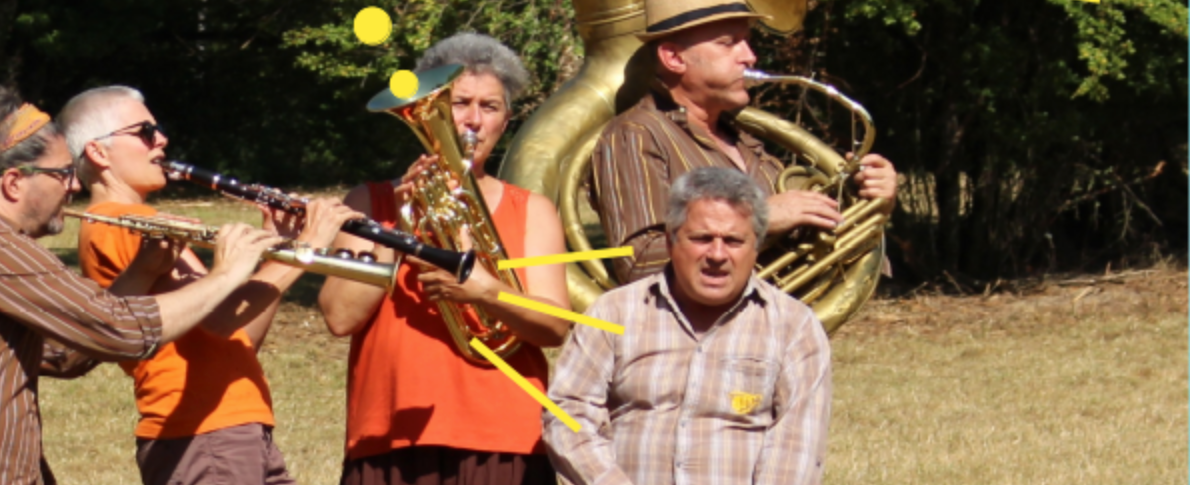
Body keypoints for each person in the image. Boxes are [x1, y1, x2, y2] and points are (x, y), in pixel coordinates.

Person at [0, 87, 282, 484]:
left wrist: (141, 273)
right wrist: (228, 273)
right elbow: (120, 331)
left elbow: (64, 356)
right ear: (13, 182)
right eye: (61, 174)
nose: (75, 185)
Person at [55, 85, 361, 485]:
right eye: (145, 132)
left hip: (230, 426)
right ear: (98, 152)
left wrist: (280, 250)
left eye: (158, 129)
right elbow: (222, 320)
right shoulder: (122, 220)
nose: (161, 139)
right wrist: (308, 247)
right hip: (204, 432)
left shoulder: (141, 220)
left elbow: (240, 333)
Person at [317, 32, 571, 485]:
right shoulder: (368, 202)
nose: (473, 121)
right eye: (459, 103)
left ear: (505, 120)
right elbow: (340, 316)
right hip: (390, 435)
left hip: (503, 434)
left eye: (489, 107)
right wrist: (394, 220)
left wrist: (487, 292)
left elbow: (553, 326)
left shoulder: (532, 210)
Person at [545, 167, 831, 485]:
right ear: (670, 241)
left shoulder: (795, 326)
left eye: (734, 241)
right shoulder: (613, 312)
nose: (717, 254)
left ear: (756, 247)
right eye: (702, 238)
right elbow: (568, 413)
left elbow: (796, 447)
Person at [590, 0, 899, 283]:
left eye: (747, 41)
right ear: (673, 57)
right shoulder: (636, 134)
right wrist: (754, 219)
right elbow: (638, 263)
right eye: (728, 43)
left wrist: (867, 201)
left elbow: (822, 245)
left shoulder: (744, 140)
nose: (749, 56)